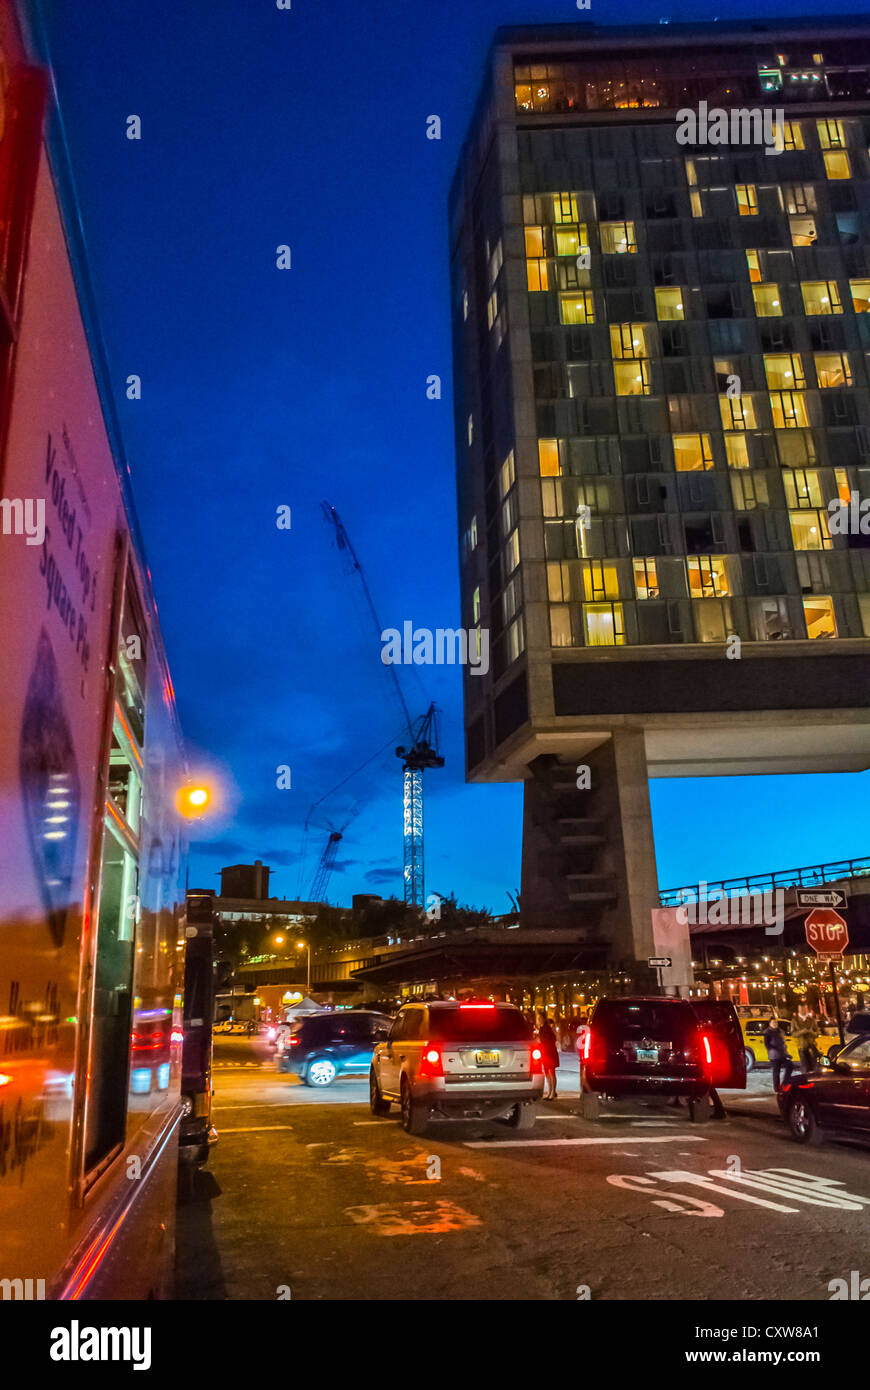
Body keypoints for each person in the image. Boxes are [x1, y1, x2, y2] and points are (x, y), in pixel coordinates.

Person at [763, 1018, 794, 1092]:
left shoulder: (780, 1031)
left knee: (790, 1066)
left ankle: (785, 1083)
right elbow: (767, 1045)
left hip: (782, 1054)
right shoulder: (768, 1033)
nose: (775, 1024)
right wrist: (774, 1049)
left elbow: (783, 1043)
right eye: (773, 1022)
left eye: (776, 1022)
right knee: (776, 1072)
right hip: (774, 1056)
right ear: (770, 1024)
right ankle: (777, 1088)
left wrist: (786, 1053)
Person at [536, 1011, 560, 1100]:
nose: (538, 1020)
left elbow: (550, 1039)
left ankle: (553, 1092)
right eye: (538, 1019)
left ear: (543, 1019)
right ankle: (550, 1091)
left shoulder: (546, 1029)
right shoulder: (542, 1029)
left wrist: (540, 1040)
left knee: (551, 1072)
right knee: (547, 1072)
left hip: (549, 1053)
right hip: (545, 1053)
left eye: (539, 1018)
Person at [792, 1006, 819, 1073]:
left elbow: (818, 1033)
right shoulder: (794, 1020)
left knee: (814, 1065)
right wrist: (801, 1032)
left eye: (805, 1009)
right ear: (798, 1010)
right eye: (801, 1009)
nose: (803, 1010)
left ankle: (815, 1079)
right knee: (805, 1065)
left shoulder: (812, 1020)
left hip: (812, 1046)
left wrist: (811, 1032)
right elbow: (793, 1034)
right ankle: (806, 1079)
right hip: (802, 1046)